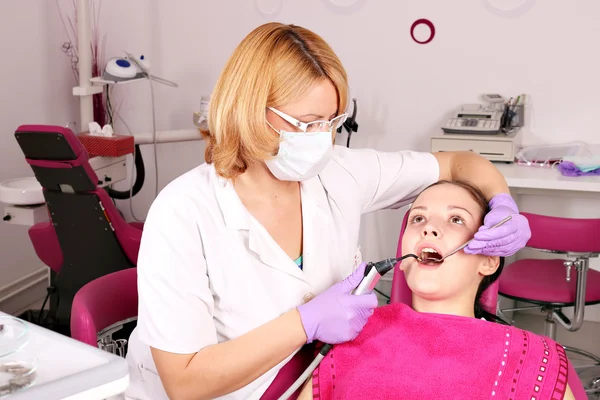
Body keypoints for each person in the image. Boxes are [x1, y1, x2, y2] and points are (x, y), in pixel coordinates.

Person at [124, 22, 532, 400]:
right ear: (249, 109)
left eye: (330, 121)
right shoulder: (184, 213)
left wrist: (502, 203)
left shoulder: (339, 172)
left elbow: (461, 163)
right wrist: (304, 322)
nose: (321, 140)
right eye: (305, 124)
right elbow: (184, 382)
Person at [301, 180, 586, 400]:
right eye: (418, 219)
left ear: (487, 260)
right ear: (401, 258)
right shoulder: (351, 332)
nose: (429, 229)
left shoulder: (531, 356)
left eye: (456, 219)